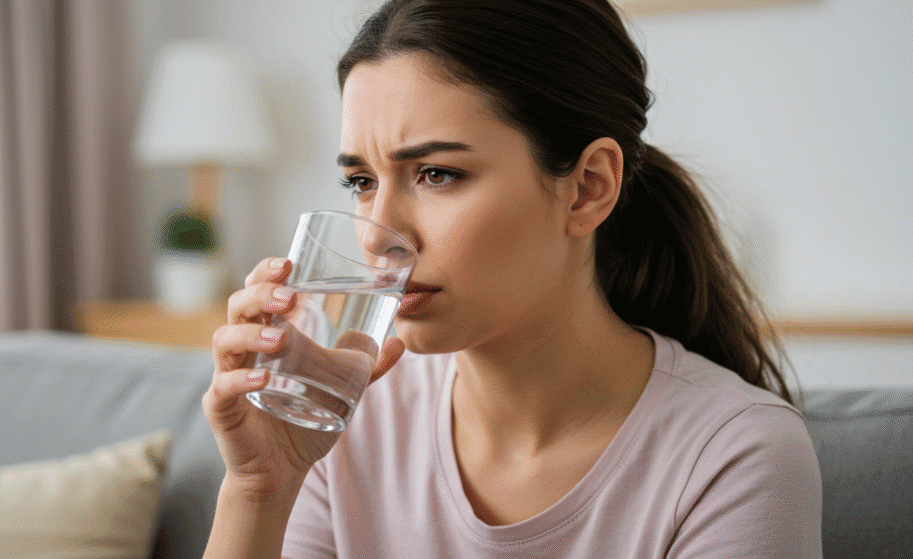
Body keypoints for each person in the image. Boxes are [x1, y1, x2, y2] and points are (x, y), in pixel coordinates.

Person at [202, 0, 823, 557]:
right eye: (361, 182)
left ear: (588, 188)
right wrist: (260, 489)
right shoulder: (346, 419)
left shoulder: (733, 456)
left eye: (437, 174)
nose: (375, 233)